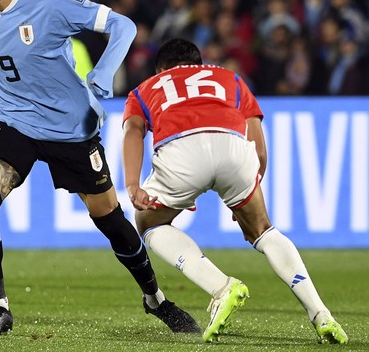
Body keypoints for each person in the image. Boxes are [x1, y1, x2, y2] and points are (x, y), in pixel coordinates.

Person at [0, 0, 200, 337]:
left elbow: (124, 26)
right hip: (15, 122)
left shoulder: (51, 2)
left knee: (111, 220)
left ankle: (156, 300)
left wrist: (102, 71)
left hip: (71, 130)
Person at [122, 38, 349, 344]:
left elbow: (134, 129)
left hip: (181, 150)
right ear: (199, 64)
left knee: (149, 223)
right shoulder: (232, 78)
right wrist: (246, 191)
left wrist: (133, 185)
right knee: (264, 231)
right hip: (235, 149)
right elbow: (259, 149)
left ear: (162, 69)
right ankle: (322, 315)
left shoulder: (146, 87)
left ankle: (220, 287)